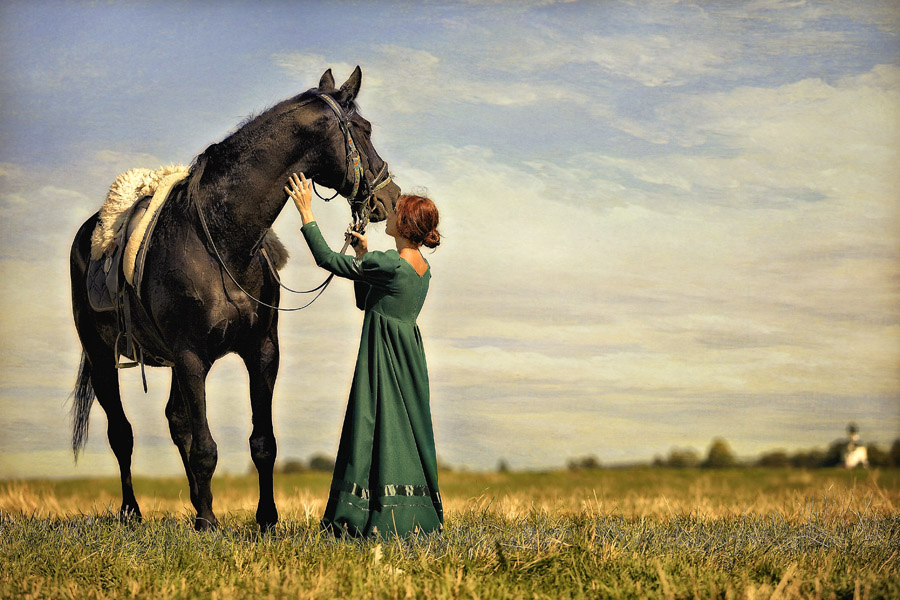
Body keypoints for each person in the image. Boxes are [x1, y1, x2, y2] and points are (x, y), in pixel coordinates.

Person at [285, 172, 443, 538]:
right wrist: (361, 253)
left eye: (395, 211)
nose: (387, 213)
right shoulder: (422, 268)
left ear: (403, 224)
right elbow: (367, 301)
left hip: (382, 357)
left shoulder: (389, 263)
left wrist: (307, 214)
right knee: (405, 430)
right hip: (408, 356)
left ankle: (362, 516)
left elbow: (326, 260)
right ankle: (412, 515)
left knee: (372, 425)